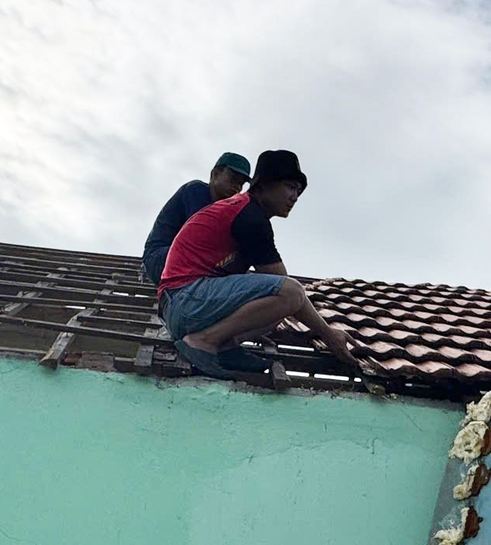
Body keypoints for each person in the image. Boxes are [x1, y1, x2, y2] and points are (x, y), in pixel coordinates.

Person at [157, 149, 369, 379]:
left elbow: (281, 293)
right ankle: (203, 342)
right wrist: (328, 334)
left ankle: (224, 346)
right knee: (289, 295)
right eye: (290, 187)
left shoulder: (245, 211)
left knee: (278, 307)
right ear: (264, 186)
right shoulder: (248, 216)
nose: (294, 197)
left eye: (298, 191)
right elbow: (288, 289)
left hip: (184, 307)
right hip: (185, 301)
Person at [141, 153, 252, 286]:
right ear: (215, 174)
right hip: (159, 258)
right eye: (233, 179)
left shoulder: (223, 209)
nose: (236, 188)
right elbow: (203, 239)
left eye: (241, 184)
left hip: (181, 260)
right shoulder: (196, 191)